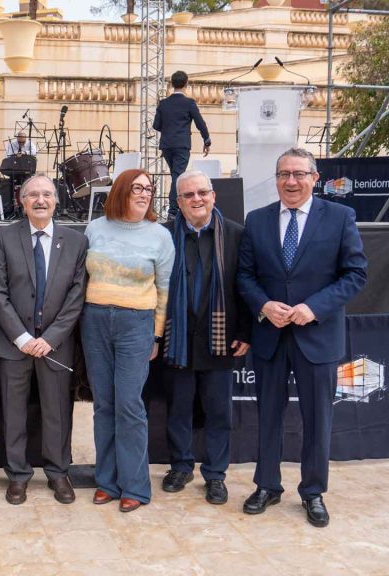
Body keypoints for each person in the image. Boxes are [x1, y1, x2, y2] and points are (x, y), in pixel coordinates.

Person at [237, 147, 367, 528]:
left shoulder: (340, 217)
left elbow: (355, 274)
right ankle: (267, 485)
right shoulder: (257, 220)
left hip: (318, 337)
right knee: (268, 417)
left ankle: (313, 492)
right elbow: (245, 276)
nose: (290, 181)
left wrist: (315, 307)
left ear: (315, 177)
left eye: (298, 174)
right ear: (275, 179)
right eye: (283, 174)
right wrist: (263, 306)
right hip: (270, 337)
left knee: (317, 419)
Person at [81, 168, 174, 513]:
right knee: (103, 404)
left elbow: (164, 289)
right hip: (95, 321)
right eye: (137, 188)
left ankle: (135, 486)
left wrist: (156, 334)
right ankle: (107, 481)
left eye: (149, 189)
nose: (144, 194)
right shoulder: (96, 228)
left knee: (129, 405)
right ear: (120, 190)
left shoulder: (160, 235)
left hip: (137, 323)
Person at [0, 174, 87, 505]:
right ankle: (17, 475)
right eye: (33, 195)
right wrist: (21, 337)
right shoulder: (4, 238)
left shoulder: (75, 241)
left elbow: (77, 296)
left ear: (57, 200)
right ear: (22, 200)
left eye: (47, 194)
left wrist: (50, 337)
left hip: (56, 346)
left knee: (57, 413)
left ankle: (59, 473)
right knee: (13, 413)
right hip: (13, 345)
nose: (41, 200)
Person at [161, 170, 251, 504]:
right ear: (178, 202)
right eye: (189, 195)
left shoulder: (237, 236)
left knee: (219, 413)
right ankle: (181, 466)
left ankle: (215, 475)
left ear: (213, 195)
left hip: (221, 338)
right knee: (178, 409)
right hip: (178, 339)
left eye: (202, 193)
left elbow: (245, 288)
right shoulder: (164, 236)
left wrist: (245, 331)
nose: (197, 200)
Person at [153, 71, 211, 219]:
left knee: (176, 175)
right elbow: (200, 123)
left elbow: (156, 125)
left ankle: (175, 208)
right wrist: (206, 140)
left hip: (166, 145)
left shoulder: (163, 104)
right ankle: (173, 211)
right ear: (186, 84)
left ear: (172, 84)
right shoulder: (189, 103)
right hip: (182, 145)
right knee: (177, 176)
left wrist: (169, 130)